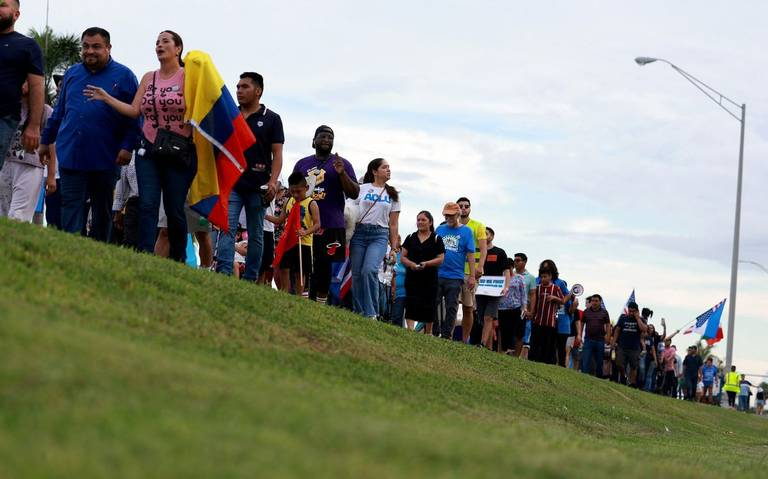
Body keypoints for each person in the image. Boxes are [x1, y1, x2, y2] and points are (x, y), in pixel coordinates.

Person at [84, 30, 194, 260]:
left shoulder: (189, 76)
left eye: (165, 41)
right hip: (149, 149)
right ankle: (145, 256)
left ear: (178, 49)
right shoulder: (148, 77)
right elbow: (134, 110)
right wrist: (107, 98)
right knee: (147, 204)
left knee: (174, 210)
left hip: (179, 152)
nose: (159, 45)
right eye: (156, 42)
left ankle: (178, 259)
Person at [40, 27, 139, 242]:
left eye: (96, 47)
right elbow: (59, 112)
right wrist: (45, 141)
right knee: (71, 205)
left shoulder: (125, 76)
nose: (89, 51)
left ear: (108, 48)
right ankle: (70, 248)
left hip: (106, 156)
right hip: (72, 153)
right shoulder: (72, 73)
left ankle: (99, 250)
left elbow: (135, 116)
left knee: (101, 208)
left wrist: (127, 146)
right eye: (85, 46)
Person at [216, 72, 284, 280]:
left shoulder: (272, 118)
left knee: (256, 234)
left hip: (258, 187)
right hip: (233, 183)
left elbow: (278, 154)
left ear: (258, 91)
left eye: (244, 87)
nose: (239, 90)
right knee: (227, 227)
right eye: (237, 87)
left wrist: (273, 182)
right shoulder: (231, 115)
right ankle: (224, 273)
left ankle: (250, 277)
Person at [293, 126, 359, 304]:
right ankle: (303, 300)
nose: (326, 140)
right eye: (322, 136)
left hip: (331, 223)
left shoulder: (342, 163)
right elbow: (293, 192)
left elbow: (354, 193)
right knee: (303, 263)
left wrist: (342, 173)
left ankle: (321, 304)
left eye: (330, 137)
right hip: (305, 222)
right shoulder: (302, 164)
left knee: (324, 265)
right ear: (314, 141)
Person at [350, 158, 400, 319]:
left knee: (370, 270)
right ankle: (358, 311)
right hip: (359, 232)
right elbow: (350, 210)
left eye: (389, 167)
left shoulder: (393, 194)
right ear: (374, 171)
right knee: (357, 273)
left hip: (380, 234)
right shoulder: (361, 188)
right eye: (384, 167)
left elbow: (393, 224)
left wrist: (393, 248)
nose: (388, 170)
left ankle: (371, 312)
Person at [0, 0, 44, 170]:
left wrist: (34, 126)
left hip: (4, 116)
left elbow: (37, 86)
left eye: (3, 5)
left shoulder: (27, 45)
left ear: (16, 14)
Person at [1, 81, 53, 222]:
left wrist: (51, 176)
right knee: (3, 214)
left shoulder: (45, 111)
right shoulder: (7, 107)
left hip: (31, 166)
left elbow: (51, 144)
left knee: (18, 216)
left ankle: (15, 242)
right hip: (5, 164)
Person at [435, 202, 476, 340]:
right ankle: (434, 331)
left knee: (452, 306)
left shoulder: (466, 231)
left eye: (451, 215)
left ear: (458, 214)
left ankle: (447, 335)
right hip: (438, 273)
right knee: (433, 302)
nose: (449, 218)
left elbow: (470, 254)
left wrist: (472, 276)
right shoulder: (439, 229)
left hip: (455, 275)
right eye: (446, 215)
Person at [275, 172, 320, 297]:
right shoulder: (289, 201)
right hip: (288, 241)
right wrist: (264, 216)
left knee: (300, 272)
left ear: (306, 188)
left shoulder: (311, 203)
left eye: (298, 192)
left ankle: (299, 296)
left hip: (304, 243)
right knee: (284, 268)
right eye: (292, 191)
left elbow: (317, 224)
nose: (295, 195)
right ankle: (284, 292)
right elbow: (279, 220)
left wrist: (305, 231)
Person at [401, 211, 445, 335]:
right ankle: (409, 330)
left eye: (423, 220)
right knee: (410, 301)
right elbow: (403, 257)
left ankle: (428, 332)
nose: (420, 222)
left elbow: (441, 259)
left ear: (430, 222)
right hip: (412, 276)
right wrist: (411, 265)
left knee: (429, 303)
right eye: (418, 220)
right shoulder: (410, 237)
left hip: (430, 278)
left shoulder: (436, 239)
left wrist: (427, 263)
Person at [455, 197, 487, 344]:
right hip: (454, 270)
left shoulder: (478, 226)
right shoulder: (451, 225)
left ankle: (464, 339)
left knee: (468, 307)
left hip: (471, 273)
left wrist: (480, 266)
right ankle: (447, 334)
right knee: (452, 304)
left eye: (466, 206)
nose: (463, 208)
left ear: (470, 208)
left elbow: (483, 248)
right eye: (460, 206)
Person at [476, 227, 509, 349]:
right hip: (479, 289)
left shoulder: (500, 252)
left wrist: (506, 287)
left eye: (487, 233)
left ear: (492, 236)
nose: (484, 236)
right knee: (481, 318)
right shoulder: (476, 251)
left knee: (488, 317)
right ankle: (488, 347)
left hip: (495, 290)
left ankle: (483, 343)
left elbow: (506, 271)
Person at [529, 266, 566, 364]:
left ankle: (547, 362)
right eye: (541, 277)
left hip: (550, 322)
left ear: (550, 277)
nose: (543, 279)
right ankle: (533, 360)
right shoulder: (538, 288)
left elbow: (563, 301)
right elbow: (533, 302)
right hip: (537, 320)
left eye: (545, 277)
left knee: (548, 344)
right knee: (535, 342)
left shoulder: (556, 288)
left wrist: (554, 298)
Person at [611, 302, 647, 387]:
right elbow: (617, 330)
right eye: (629, 311)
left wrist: (637, 318)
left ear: (637, 311)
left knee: (633, 367)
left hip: (634, 348)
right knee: (619, 364)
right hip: (622, 346)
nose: (631, 313)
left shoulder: (641, 320)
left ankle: (632, 383)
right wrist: (614, 342)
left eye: (633, 311)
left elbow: (644, 329)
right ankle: (624, 377)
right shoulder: (623, 318)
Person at [497, 258, 527, 356]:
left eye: (509, 267)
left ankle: (512, 351)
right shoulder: (500, 278)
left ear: (512, 267)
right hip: (501, 308)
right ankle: (502, 350)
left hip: (515, 308)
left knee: (514, 331)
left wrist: (524, 307)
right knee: (503, 330)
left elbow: (524, 294)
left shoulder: (519, 278)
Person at [111, 155, 139, 248]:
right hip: (134, 203)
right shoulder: (131, 153)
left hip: (157, 205)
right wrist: (118, 210)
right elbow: (122, 184)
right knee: (129, 242)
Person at [580, 294, 611, 377]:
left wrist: (608, 336)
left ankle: (599, 378)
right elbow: (582, 323)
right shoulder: (586, 311)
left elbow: (608, 325)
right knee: (586, 360)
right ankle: (584, 377)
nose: (594, 302)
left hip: (600, 340)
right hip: (588, 340)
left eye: (596, 301)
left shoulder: (604, 312)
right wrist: (579, 335)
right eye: (593, 301)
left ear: (600, 302)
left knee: (599, 361)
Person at [513, 253, 537, 356]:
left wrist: (531, 311)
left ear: (525, 262)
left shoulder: (531, 277)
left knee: (520, 334)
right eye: (515, 260)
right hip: (510, 307)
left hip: (523, 308)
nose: (516, 263)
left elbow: (532, 295)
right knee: (508, 331)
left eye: (518, 260)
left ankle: (516, 356)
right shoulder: (510, 274)